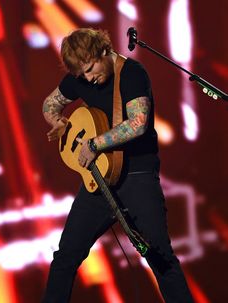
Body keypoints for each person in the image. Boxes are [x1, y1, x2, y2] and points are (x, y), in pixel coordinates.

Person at [42, 28, 194, 303]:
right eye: (81, 75)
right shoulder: (82, 76)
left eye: (90, 69)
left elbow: (138, 124)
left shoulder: (133, 73)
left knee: (160, 257)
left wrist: (94, 144)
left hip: (137, 177)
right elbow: (50, 104)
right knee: (66, 256)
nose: (88, 79)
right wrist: (58, 121)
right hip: (99, 180)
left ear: (102, 51)